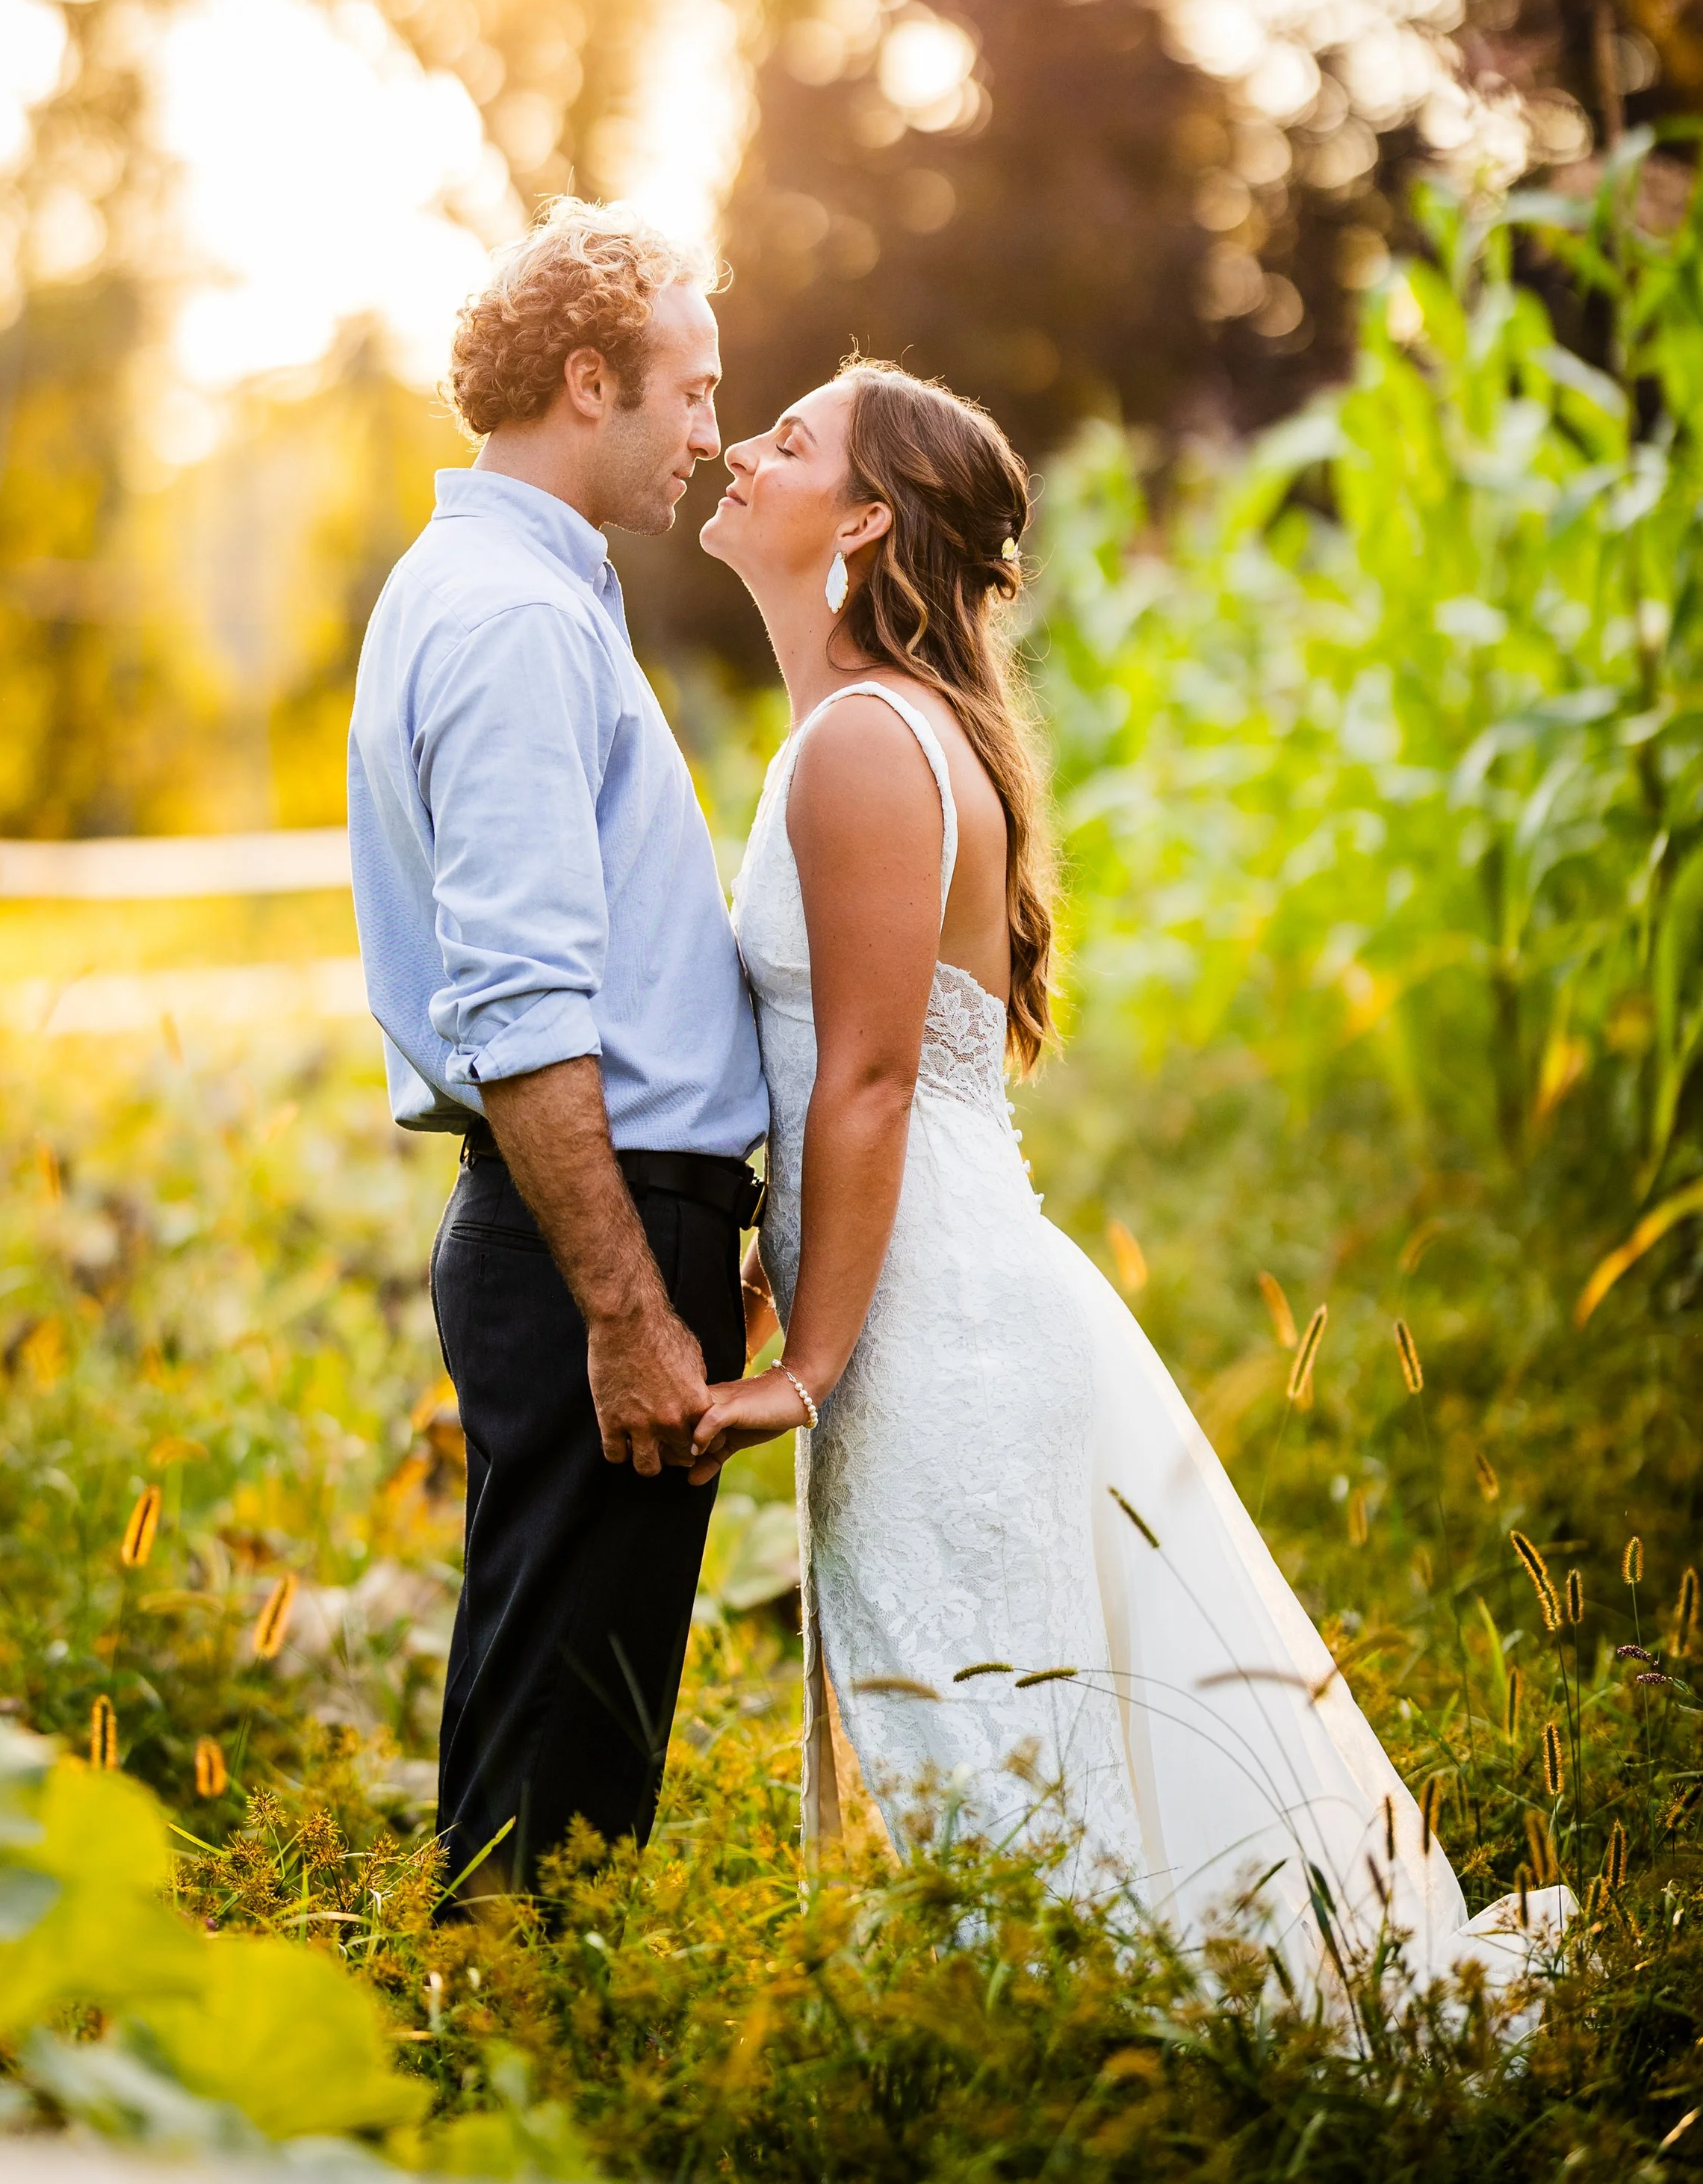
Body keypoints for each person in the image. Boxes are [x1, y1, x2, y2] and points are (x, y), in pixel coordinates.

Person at [693, 356, 1571, 2003]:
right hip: (937, 1287)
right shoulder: (880, 732)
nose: (744, 448)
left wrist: (799, 1371)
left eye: (791, 439)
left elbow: (872, 1083)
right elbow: (854, 1079)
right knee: (1016, 1727)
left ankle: (1101, 2066)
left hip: (927, 1328)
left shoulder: (859, 749)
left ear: (865, 521)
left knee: (983, 1738)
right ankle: (1105, 2041)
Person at [347, 200, 766, 1902]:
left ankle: (503, 2060)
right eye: (691, 390)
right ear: (588, 380)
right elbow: (519, 1012)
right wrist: (626, 1305)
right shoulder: (512, 621)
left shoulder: (513, 591)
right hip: (587, 1226)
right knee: (560, 1777)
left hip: (595, 1220)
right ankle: (514, 2104)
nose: (710, 434)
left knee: (553, 1728)